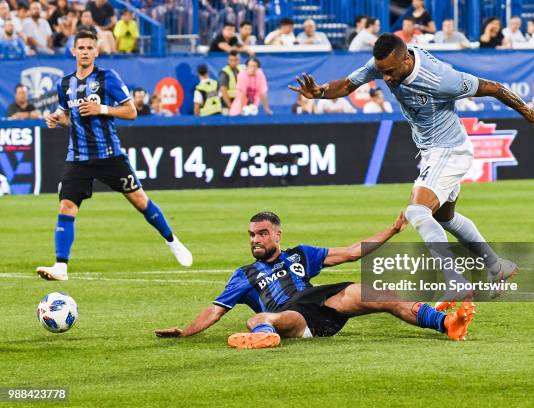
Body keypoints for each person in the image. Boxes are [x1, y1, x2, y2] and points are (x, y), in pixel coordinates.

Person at [288, 34, 534, 310]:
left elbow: (494, 87)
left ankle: (454, 279)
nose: (385, 78)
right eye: (381, 72)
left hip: (448, 150)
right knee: (444, 217)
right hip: (434, 151)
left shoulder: (440, 79)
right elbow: (349, 84)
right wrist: (321, 92)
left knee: (416, 211)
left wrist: (531, 115)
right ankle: (497, 267)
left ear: (406, 60)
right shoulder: (384, 63)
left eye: (389, 72)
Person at [155, 211, 476, 348]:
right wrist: (185, 332)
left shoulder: (300, 255)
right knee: (260, 317)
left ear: (277, 235)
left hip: (323, 303)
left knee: (382, 294)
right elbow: (215, 310)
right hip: (293, 315)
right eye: (252, 235)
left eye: (262, 233)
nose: (255, 239)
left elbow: (351, 252)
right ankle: (265, 335)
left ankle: (447, 324)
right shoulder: (243, 275)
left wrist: (392, 231)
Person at [36, 30, 192, 281]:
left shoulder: (108, 77)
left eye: (90, 47)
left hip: (109, 156)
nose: (85, 52)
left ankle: (172, 240)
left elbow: (131, 112)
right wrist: (56, 119)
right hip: (78, 157)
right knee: (66, 205)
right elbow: (69, 117)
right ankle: (61, 266)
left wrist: (102, 108)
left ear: (97, 51)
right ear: (73, 51)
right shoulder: (64, 84)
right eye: (81, 48)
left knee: (140, 201)